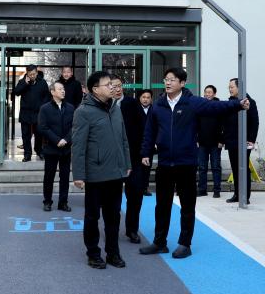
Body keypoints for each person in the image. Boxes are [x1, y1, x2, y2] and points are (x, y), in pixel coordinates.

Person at [138, 68, 248, 259]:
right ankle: (159, 242)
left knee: (187, 206)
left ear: (182, 83)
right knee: (161, 206)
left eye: (172, 80)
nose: (168, 82)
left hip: (186, 163)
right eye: (166, 79)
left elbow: (216, 107)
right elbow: (149, 131)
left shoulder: (192, 102)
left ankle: (184, 244)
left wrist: (238, 104)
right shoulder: (158, 105)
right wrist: (146, 152)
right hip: (165, 163)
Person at [71, 71, 130, 269]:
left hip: (116, 173)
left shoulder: (115, 108)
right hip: (95, 174)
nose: (112, 88)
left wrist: (127, 163)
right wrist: (79, 174)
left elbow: (123, 139)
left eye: (113, 84)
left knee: (113, 217)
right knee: (92, 216)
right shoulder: (83, 112)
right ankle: (93, 253)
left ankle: (113, 253)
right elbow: (78, 146)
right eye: (108, 85)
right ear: (95, 89)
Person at [120, 87, 151, 242]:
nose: (115, 88)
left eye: (118, 85)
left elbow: (146, 130)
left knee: (135, 196)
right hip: (113, 160)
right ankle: (110, 231)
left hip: (135, 159)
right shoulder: (103, 105)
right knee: (111, 199)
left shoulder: (132, 104)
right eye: (112, 85)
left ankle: (132, 230)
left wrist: (147, 151)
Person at [38, 82, 74, 212]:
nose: (63, 91)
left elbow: (74, 126)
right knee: (49, 177)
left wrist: (66, 139)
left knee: (65, 177)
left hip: (66, 149)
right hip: (51, 148)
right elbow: (42, 127)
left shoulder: (70, 108)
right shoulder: (45, 108)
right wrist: (57, 140)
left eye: (63, 89)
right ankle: (47, 201)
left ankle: (63, 202)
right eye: (60, 89)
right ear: (52, 92)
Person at [224, 77, 259, 204]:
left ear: (240, 88)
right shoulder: (230, 103)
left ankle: (245, 196)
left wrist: (251, 140)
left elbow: (254, 122)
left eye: (232, 87)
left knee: (243, 168)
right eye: (229, 87)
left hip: (244, 142)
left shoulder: (250, 102)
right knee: (235, 168)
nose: (230, 89)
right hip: (232, 141)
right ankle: (237, 194)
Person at [14, 64, 50, 162]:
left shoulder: (42, 82)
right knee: (25, 135)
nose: (32, 76)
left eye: (34, 74)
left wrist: (42, 107)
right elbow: (16, 92)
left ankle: (39, 151)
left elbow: (47, 96)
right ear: (27, 73)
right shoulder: (22, 81)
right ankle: (27, 154)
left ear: (36, 73)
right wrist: (25, 83)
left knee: (39, 134)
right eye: (30, 74)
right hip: (25, 113)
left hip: (38, 113)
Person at [197, 85, 225, 198]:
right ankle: (202, 189)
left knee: (216, 167)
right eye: (206, 92)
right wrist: (196, 139)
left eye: (209, 92)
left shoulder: (219, 106)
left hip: (216, 143)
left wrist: (221, 140)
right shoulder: (201, 106)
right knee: (202, 167)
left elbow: (224, 125)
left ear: (214, 94)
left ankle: (217, 190)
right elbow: (196, 124)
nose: (207, 94)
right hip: (202, 142)